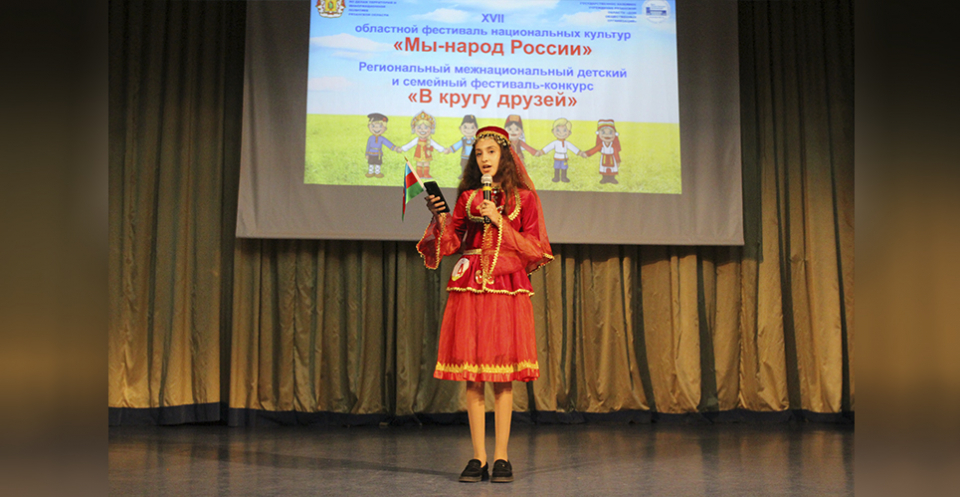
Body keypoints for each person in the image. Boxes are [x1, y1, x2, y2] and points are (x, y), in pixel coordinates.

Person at [418, 125, 553, 484]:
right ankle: (478, 456)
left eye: (491, 152)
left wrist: (499, 222)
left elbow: (537, 249)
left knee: (503, 375)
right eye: (478, 153)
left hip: (505, 287)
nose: (484, 159)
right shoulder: (468, 198)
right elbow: (451, 244)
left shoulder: (525, 198)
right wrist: (440, 217)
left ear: (504, 155)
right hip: (470, 285)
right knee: (473, 375)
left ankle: (502, 456)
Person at [399, 110, 447, 179]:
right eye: (419, 128)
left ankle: (426, 174)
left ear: (431, 129)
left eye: (426, 128)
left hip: (427, 153)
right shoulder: (417, 139)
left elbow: (436, 145)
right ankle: (419, 174)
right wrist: (402, 148)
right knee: (419, 163)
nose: (422, 130)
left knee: (427, 163)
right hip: (419, 153)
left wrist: (443, 150)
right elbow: (410, 145)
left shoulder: (429, 140)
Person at [583, 119, 622, 184]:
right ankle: (604, 178)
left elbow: (616, 153)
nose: (607, 135)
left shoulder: (613, 145)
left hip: (612, 159)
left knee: (612, 169)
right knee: (604, 168)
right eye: (603, 133)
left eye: (610, 133)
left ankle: (612, 179)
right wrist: (587, 154)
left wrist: (617, 161)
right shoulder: (601, 145)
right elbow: (595, 149)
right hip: (604, 158)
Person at [364, 113, 396, 178]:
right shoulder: (370, 138)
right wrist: (367, 154)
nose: (376, 128)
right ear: (369, 126)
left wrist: (394, 148)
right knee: (370, 163)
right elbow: (368, 147)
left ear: (385, 128)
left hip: (378, 154)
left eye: (380, 126)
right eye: (373, 126)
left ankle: (377, 173)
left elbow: (387, 143)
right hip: (371, 153)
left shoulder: (381, 138)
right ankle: (370, 172)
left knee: (378, 164)